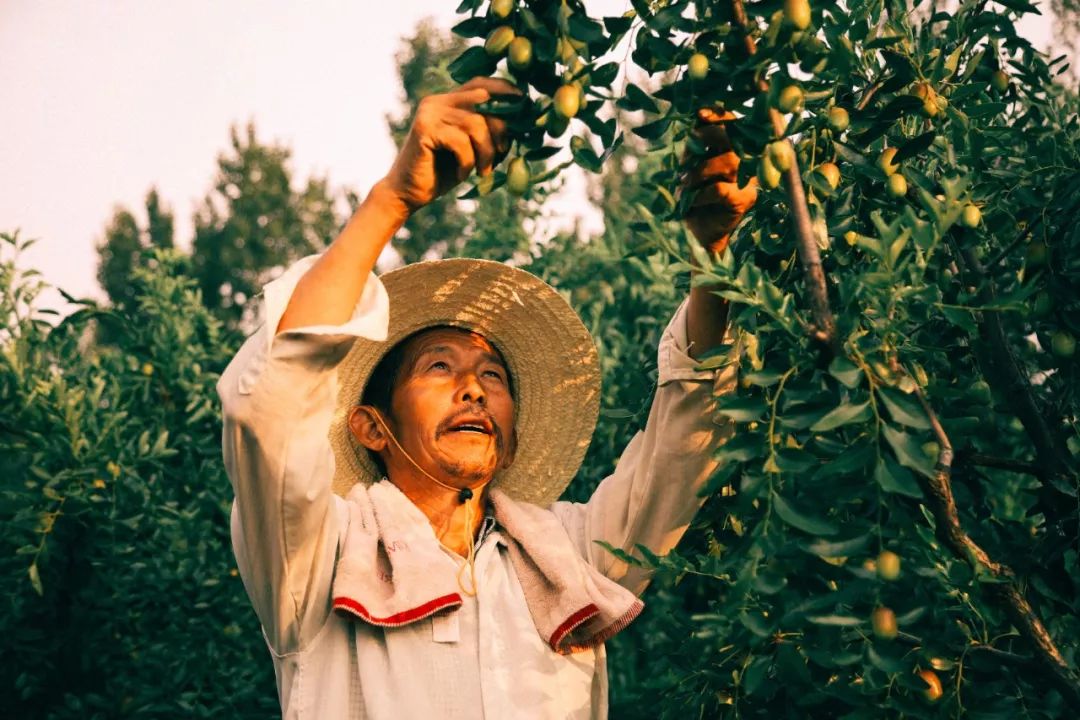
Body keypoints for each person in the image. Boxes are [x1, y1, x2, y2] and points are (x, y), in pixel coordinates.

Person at [218, 77, 756, 719]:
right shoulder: (321, 558)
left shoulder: (566, 556)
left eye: (493, 376)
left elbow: (680, 453)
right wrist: (392, 200)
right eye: (439, 366)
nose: (473, 387)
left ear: (513, 434)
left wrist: (711, 260)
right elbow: (269, 410)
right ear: (371, 426)